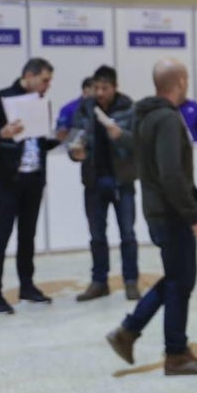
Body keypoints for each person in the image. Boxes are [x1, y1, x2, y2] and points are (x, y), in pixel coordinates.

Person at [104, 58, 197, 375]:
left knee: (178, 278)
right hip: (171, 213)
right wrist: (193, 215)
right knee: (181, 281)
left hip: (157, 210)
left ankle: (129, 332)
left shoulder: (145, 116)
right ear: (180, 81)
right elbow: (171, 173)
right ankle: (175, 353)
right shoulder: (167, 118)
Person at [0, 58, 60, 314]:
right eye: (44, 80)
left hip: (33, 177)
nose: (47, 86)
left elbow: (38, 143)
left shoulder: (42, 103)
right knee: (2, 234)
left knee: (28, 234)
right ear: (29, 75)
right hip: (7, 178)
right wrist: (1, 133)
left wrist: (58, 139)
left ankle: (27, 285)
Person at [68, 65, 140, 302]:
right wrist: (75, 152)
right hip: (93, 181)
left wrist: (121, 136)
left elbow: (139, 143)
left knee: (127, 234)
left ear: (115, 87)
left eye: (104, 88)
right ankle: (99, 282)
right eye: (96, 88)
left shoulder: (129, 108)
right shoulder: (85, 108)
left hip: (122, 181)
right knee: (97, 236)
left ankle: (131, 281)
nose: (99, 93)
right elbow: (74, 138)